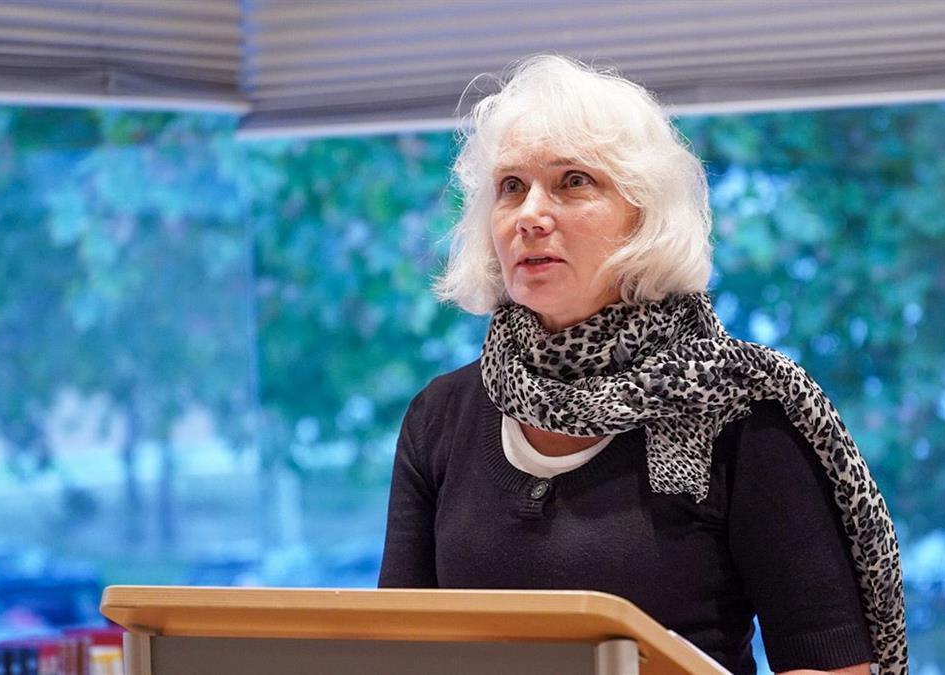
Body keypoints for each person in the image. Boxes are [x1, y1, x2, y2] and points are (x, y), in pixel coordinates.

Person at [379, 55, 906, 675]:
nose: (530, 215)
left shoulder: (736, 404)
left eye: (573, 181)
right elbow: (397, 651)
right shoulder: (440, 416)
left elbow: (826, 666)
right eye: (511, 187)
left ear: (644, 216)